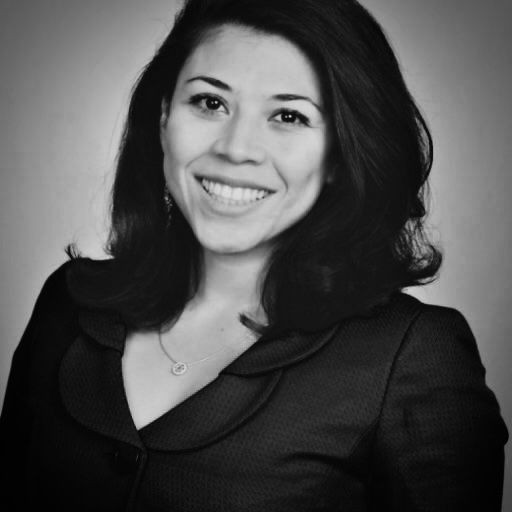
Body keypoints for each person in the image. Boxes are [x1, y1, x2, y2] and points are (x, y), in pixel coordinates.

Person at [0, 0, 508, 509]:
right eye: (209, 103)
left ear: (339, 154)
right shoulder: (68, 302)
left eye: (288, 115)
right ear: (162, 119)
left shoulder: (412, 356)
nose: (236, 148)